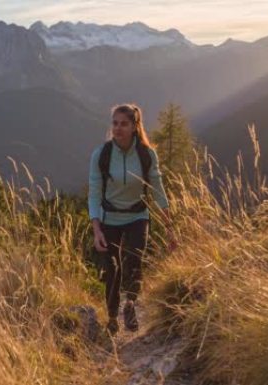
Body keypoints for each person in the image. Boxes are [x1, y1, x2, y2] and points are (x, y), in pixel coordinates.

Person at [87, 103, 176, 336]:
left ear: (135, 126)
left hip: (138, 216)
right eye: (115, 123)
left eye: (124, 124)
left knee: (134, 262)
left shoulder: (147, 155)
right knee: (111, 268)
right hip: (109, 218)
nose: (118, 128)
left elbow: (157, 190)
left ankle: (130, 305)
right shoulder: (102, 155)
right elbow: (95, 193)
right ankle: (111, 316)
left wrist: (169, 227)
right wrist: (96, 229)